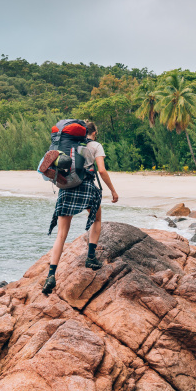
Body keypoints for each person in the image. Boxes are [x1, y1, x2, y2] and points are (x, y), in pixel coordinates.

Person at [43, 120, 119, 295]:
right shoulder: (95, 146)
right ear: (94, 132)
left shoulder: (69, 145)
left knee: (61, 235)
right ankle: (91, 257)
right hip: (86, 187)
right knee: (96, 218)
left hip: (66, 187)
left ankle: (51, 275)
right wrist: (113, 191)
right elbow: (101, 170)